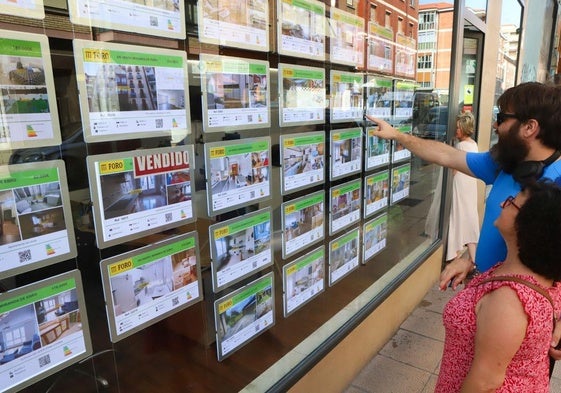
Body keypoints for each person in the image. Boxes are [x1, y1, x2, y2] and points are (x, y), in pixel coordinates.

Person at [366, 81, 561, 357]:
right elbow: (448, 155)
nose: (496, 126)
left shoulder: (558, 180)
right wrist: (398, 135)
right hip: (487, 291)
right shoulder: (508, 164)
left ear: (529, 127)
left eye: (502, 118)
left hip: (517, 313)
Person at [435, 180, 561, 392]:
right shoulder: (536, 275)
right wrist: (470, 267)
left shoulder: (509, 300)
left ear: (529, 226)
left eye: (512, 202)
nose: (503, 203)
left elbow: (484, 382)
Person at [446, 112, 480, 264]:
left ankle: (455, 252)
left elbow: (454, 170)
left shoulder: (460, 146)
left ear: (465, 129)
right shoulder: (473, 144)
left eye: (459, 128)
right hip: (470, 185)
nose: (456, 130)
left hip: (460, 183)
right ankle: (474, 258)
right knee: (468, 216)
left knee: (457, 214)